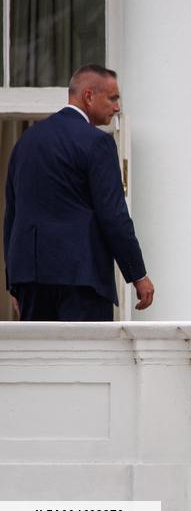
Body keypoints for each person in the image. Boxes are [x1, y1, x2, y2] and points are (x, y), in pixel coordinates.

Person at [4, 64, 154, 320]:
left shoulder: (25, 142)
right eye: (113, 98)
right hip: (81, 279)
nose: (117, 107)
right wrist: (138, 275)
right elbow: (114, 216)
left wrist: (14, 281)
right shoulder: (97, 142)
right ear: (88, 96)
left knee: (40, 359)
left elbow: (12, 215)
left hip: (31, 277)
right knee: (86, 359)